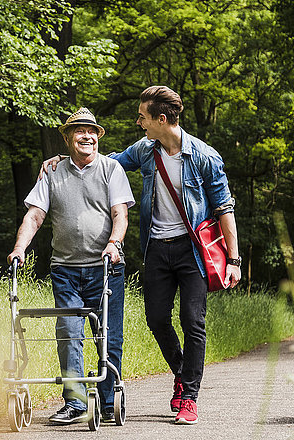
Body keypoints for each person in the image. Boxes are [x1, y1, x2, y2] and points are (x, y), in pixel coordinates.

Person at [40, 86, 242, 425]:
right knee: (157, 319)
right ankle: (182, 371)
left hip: (192, 251)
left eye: (143, 117)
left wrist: (234, 260)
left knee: (194, 322)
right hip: (157, 249)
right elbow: (106, 164)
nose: (139, 122)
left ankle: (189, 396)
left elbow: (225, 208)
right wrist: (65, 161)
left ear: (161, 119)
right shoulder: (146, 150)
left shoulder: (205, 156)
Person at [8, 107, 135, 425]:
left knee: (108, 336)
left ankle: (107, 401)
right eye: (79, 131)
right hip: (65, 269)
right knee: (67, 332)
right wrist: (19, 248)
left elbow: (120, 214)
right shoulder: (51, 172)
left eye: (92, 131)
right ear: (66, 137)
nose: (87, 136)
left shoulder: (111, 169)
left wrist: (113, 244)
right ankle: (76, 402)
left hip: (105, 266)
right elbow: (35, 214)